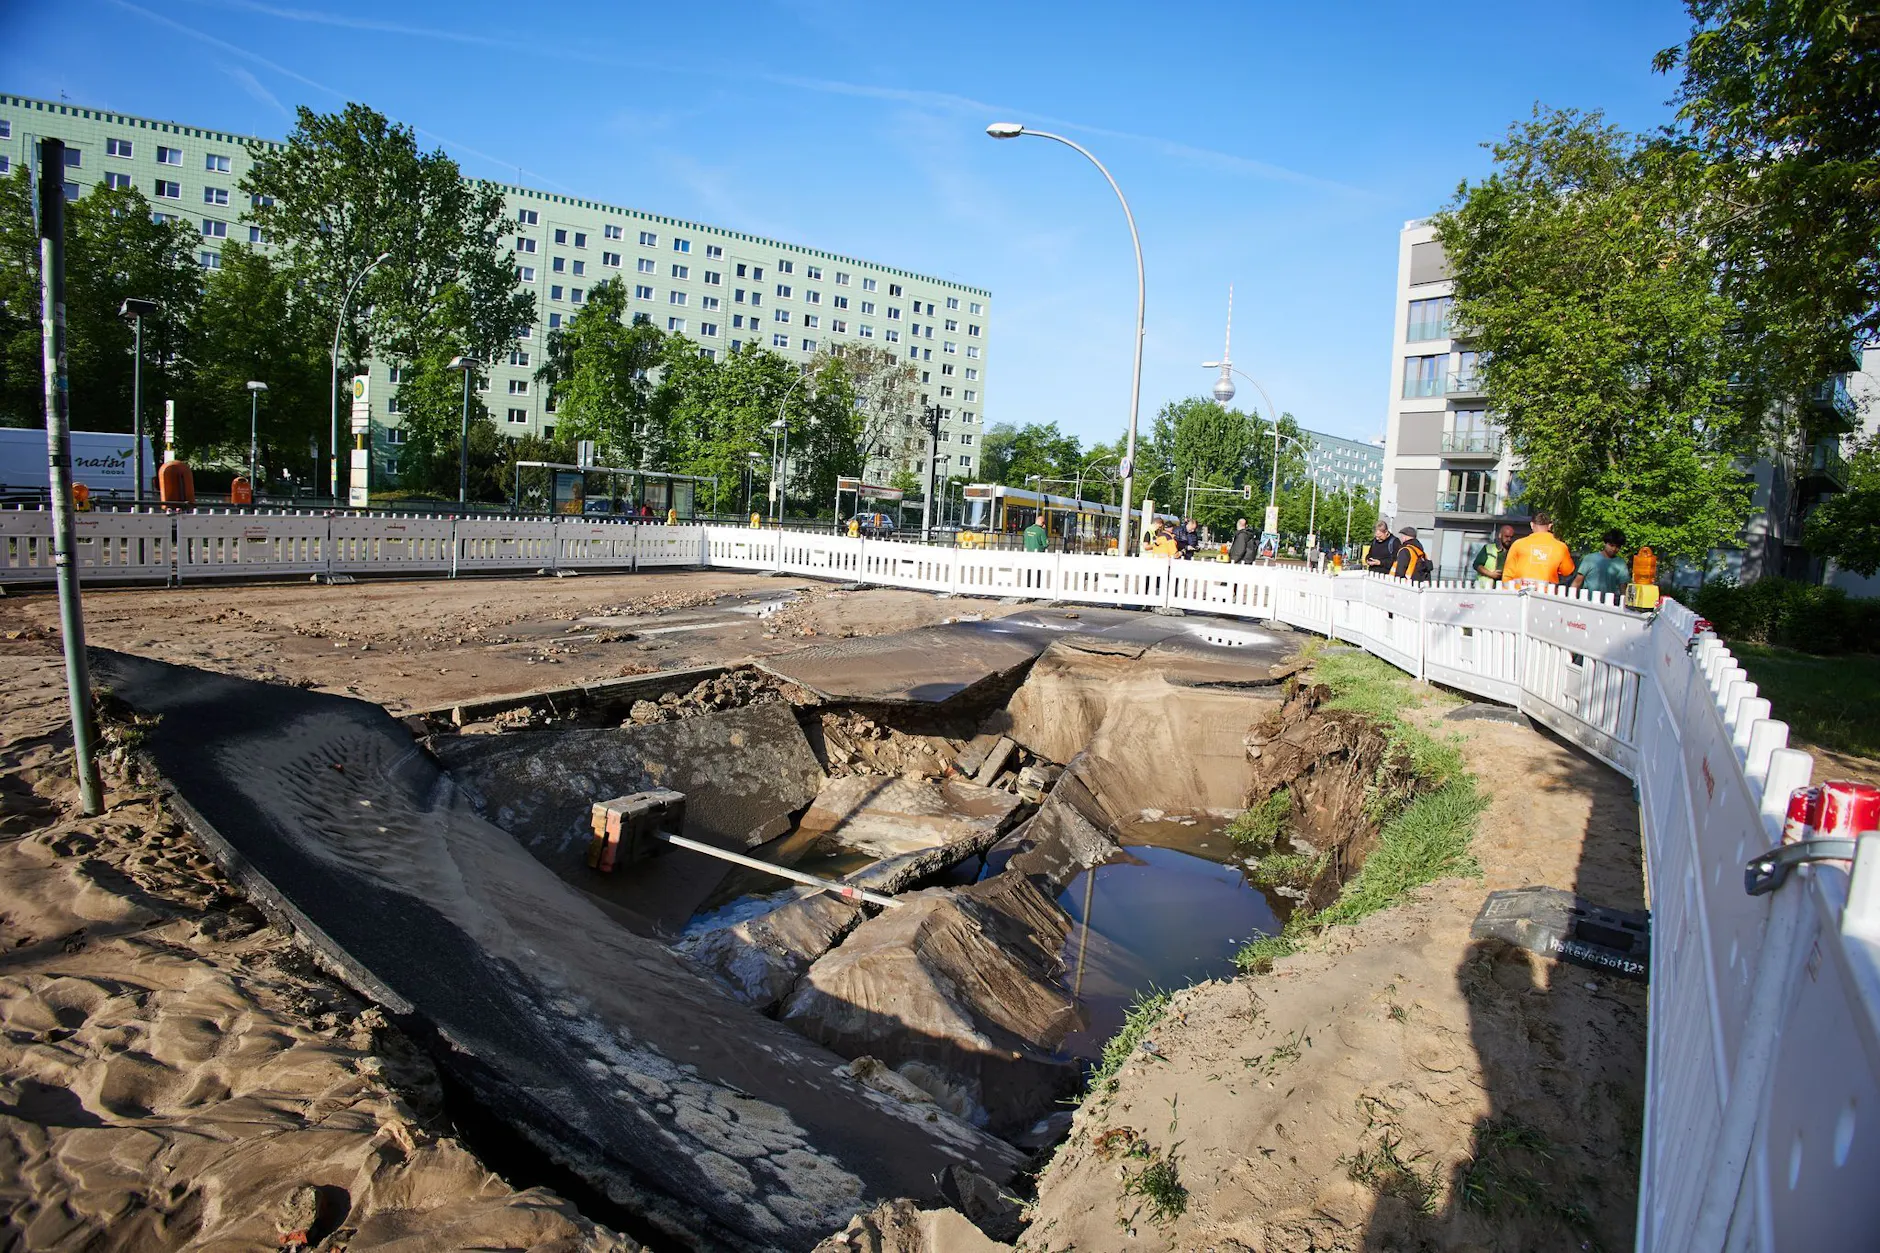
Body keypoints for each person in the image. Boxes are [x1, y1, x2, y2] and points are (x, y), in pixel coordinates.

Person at [1500, 510, 1575, 588]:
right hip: (1547, 596)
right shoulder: (1560, 547)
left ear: (1532, 525)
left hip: (1520, 594)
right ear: (1550, 526)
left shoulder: (1518, 544)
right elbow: (1567, 571)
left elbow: (1508, 574)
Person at [1572, 528, 1630, 597]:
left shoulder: (1620, 563)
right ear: (1604, 543)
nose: (1614, 549)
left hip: (1609, 603)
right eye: (1611, 545)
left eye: (1617, 547)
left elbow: (1623, 587)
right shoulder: (1590, 559)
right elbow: (1577, 582)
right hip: (1587, 602)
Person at [1472, 523, 1518, 589]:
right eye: (1506, 536)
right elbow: (1477, 565)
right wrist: (1491, 574)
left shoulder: (1513, 552)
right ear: (1500, 535)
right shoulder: (1488, 548)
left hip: (1504, 590)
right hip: (1485, 589)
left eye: (1511, 537)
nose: (1509, 539)